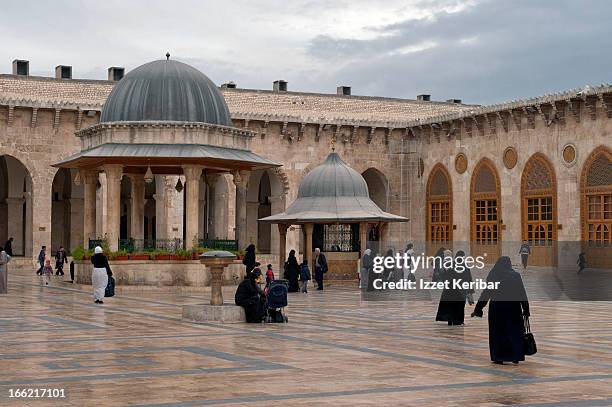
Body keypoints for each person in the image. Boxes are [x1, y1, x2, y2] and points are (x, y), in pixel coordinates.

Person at [471, 256, 530, 365]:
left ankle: (499, 356)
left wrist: (478, 308)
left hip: (497, 309)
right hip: (513, 309)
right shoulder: (515, 276)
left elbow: (486, 293)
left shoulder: (493, 275)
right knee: (514, 332)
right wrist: (526, 309)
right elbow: (521, 293)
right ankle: (515, 356)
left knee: (498, 333)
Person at [435, 250, 474, 326]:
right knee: (459, 307)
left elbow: (445, 277)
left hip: (450, 290)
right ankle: (458, 321)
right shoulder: (465, 268)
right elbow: (468, 280)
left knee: (451, 305)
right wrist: (469, 293)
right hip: (460, 291)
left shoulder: (450, 265)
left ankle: (450, 320)